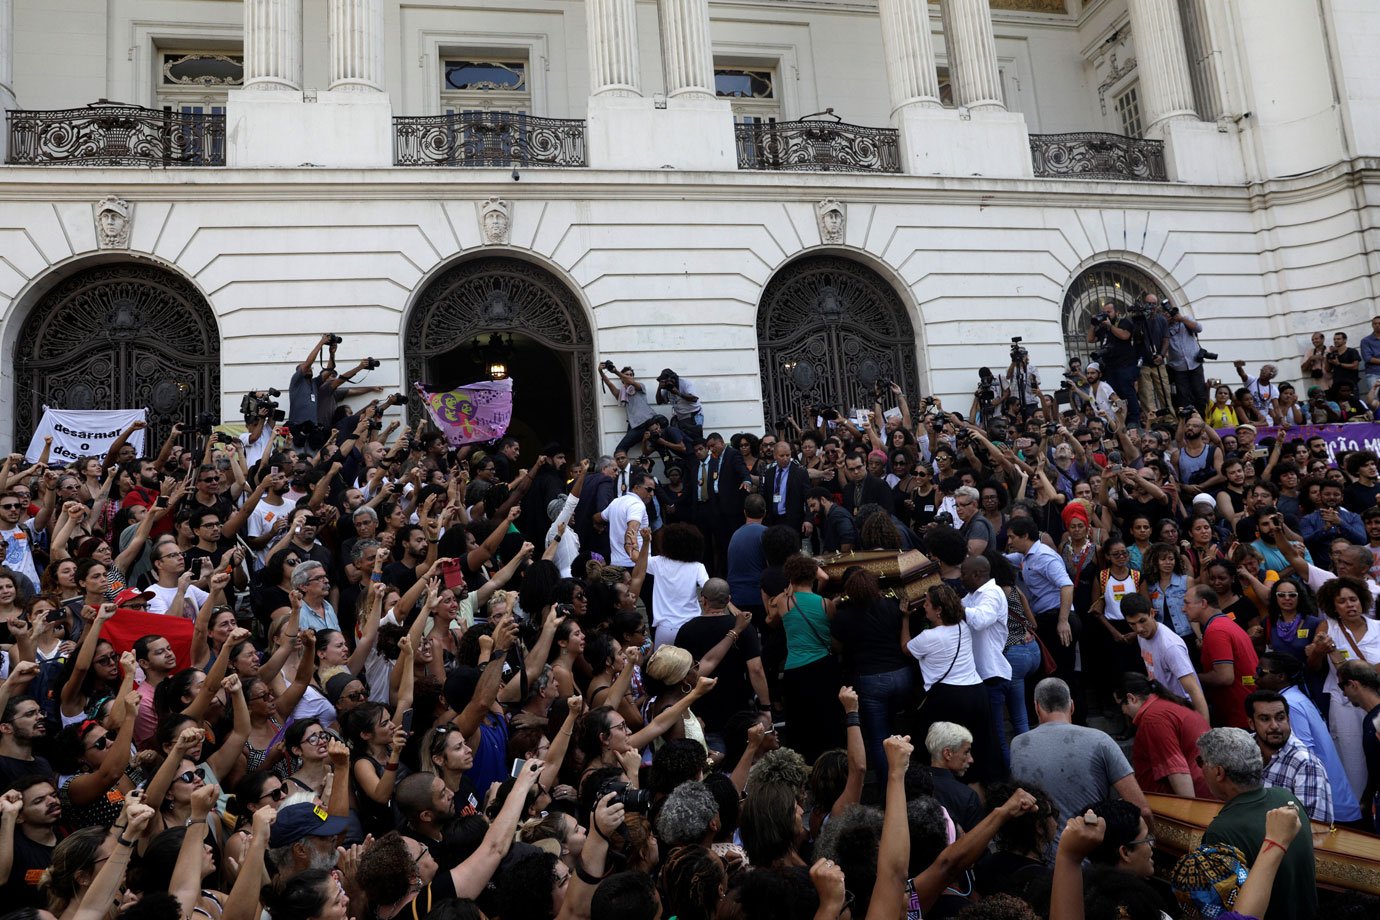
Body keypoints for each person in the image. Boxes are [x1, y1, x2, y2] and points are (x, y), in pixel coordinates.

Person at [1011, 677, 1151, 842]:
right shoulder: (1100, 740)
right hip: (1092, 855)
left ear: (1036, 707)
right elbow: (1142, 810)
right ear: (1072, 706)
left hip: (1042, 857)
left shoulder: (1018, 745)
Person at [1198, 727, 1317, 920]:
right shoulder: (1286, 798)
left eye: (1200, 762)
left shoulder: (1221, 831)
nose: (1200, 769)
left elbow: (1227, 910)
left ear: (1219, 772)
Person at [903, 584, 1003, 785]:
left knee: (944, 751)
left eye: (928, 603)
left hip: (949, 698)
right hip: (977, 692)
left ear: (939, 610)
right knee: (979, 751)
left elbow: (906, 648)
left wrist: (905, 618)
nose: (924, 607)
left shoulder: (928, 637)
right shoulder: (962, 627)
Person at [1115, 672, 1211, 798]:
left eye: (1120, 706)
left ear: (1131, 698)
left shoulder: (1154, 719)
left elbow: (1176, 769)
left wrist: (1188, 812)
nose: (1123, 711)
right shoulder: (1166, 706)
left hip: (1192, 800)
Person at [1246, 690, 1333, 823]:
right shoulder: (1243, 749)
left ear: (1288, 719)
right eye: (1265, 719)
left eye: (1280, 718)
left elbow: (1314, 829)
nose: (1274, 726)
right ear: (1251, 723)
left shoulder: (1306, 764)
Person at [1122, 593, 1209, 721]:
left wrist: (1203, 729)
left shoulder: (1170, 646)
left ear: (1152, 613)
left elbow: (1194, 689)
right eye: (1132, 624)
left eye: (1142, 621)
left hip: (1184, 712)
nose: (1139, 629)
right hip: (1166, 708)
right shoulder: (1142, 637)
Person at [1185, 584, 1258, 729]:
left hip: (1238, 716)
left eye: (1187, 603)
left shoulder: (1216, 630)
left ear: (1203, 603)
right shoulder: (1223, 623)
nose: (1183, 609)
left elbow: (1224, 677)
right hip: (1244, 709)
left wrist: (1191, 679)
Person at [924, 722, 982, 832]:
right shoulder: (967, 797)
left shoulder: (910, 785)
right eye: (966, 752)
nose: (971, 759)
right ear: (948, 754)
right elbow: (976, 845)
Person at [806, 487, 857, 554]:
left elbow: (848, 541)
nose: (811, 510)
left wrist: (840, 562)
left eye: (813, 505)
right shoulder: (828, 517)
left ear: (823, 500)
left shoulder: (838, 515)